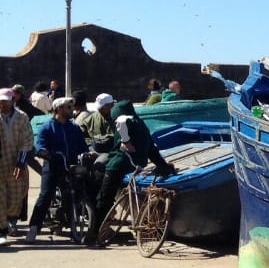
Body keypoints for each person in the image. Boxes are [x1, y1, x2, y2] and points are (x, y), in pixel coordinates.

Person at [86, 99, 175, 247]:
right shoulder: (143, 126)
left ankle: (95, 233)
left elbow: (120, 122)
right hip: (136, 167)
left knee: (104, 199)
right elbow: (152, 151)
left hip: (117, 165)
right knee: (133, 197)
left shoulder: (125, 120)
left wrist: (126, 141)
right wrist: (164, 165)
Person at [24, 98, 90, 243]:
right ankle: (34, 227)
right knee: (46, 194)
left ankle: (75, 226)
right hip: (53, 165)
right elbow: (39, 145)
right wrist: (44, 153)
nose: (71, 110)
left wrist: (87, 152)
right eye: (68, 107)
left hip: (71, 165)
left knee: (77, 192)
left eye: (71, 107)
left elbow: (83, 146)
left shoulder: (74, 128)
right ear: (59, 109)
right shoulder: (47, 127)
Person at [0, 87, 35, 241]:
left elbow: (27, 141)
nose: (2, 105)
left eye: (5, 102)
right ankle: (2, 231)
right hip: (1, 162)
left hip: (16, 162)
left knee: (15, 199)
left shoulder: (22, 117)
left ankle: (10, 220)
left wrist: (20, 164)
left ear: (12, 101)